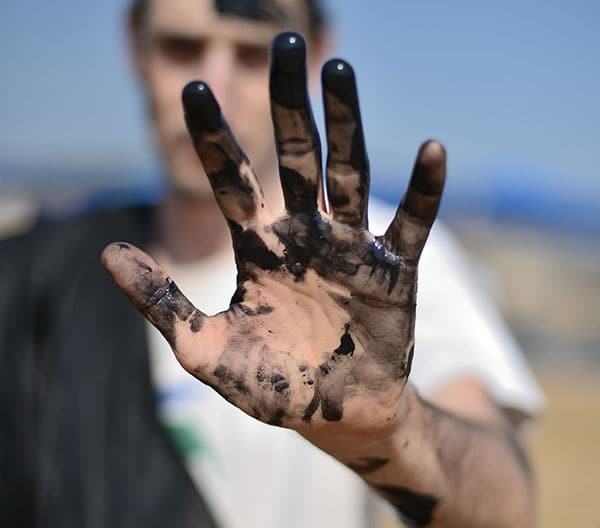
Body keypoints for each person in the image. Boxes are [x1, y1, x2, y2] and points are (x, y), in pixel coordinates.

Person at [0, 1, 543, 527]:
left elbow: (509, 513)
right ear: (134, 46)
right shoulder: (40, 274)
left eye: (254, 54)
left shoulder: (380, 269)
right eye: (181, 47)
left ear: (317, 52)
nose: (215, 86)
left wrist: (389, 431)